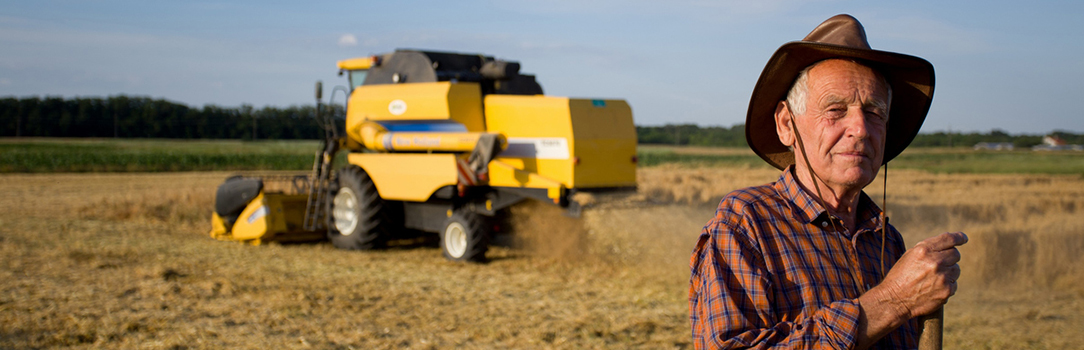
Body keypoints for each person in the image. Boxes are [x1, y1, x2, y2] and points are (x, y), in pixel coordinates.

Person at [689, 14, 967, 349]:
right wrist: (893, 301)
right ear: (786, 125)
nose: (861, 129)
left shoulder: (886, 240)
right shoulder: (746, 224)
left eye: (875, 112)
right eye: (835, 109)